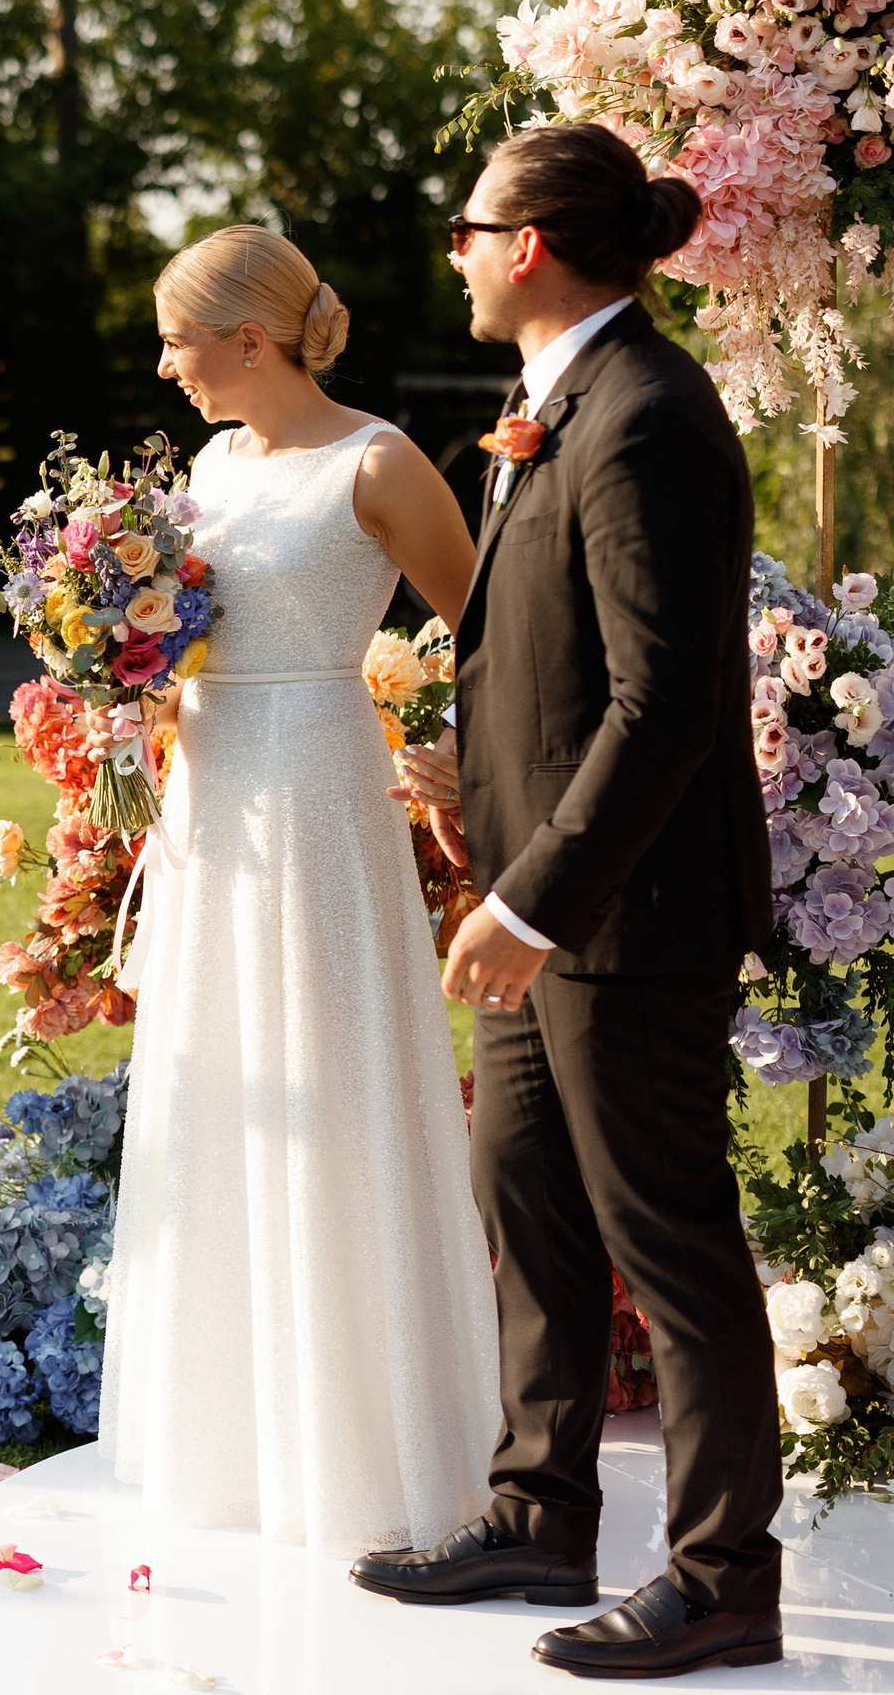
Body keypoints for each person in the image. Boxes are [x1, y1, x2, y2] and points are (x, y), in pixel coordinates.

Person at [351, 124, 782, 1679]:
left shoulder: (648, 414)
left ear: (527, 244)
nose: (453, 252)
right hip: (548, 899)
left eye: (467, 228)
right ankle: (539, 1509)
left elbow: (667, 701)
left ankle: (727, 1572)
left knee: (668, 1238)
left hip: (626, 909)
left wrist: (532, 897)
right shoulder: (554, 404)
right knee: (524, 1199)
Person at [93, 225, 501, 1558]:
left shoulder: (377, 462)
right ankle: (238, 1440)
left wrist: (456, 759)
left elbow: (487, 630)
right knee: (228, 1093)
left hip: (326, 790)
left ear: (249, 340)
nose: (166, 366)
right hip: (217, 803)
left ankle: (368, 1446)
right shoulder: (213, 464)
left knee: (335, 1089)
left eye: (177, 339)